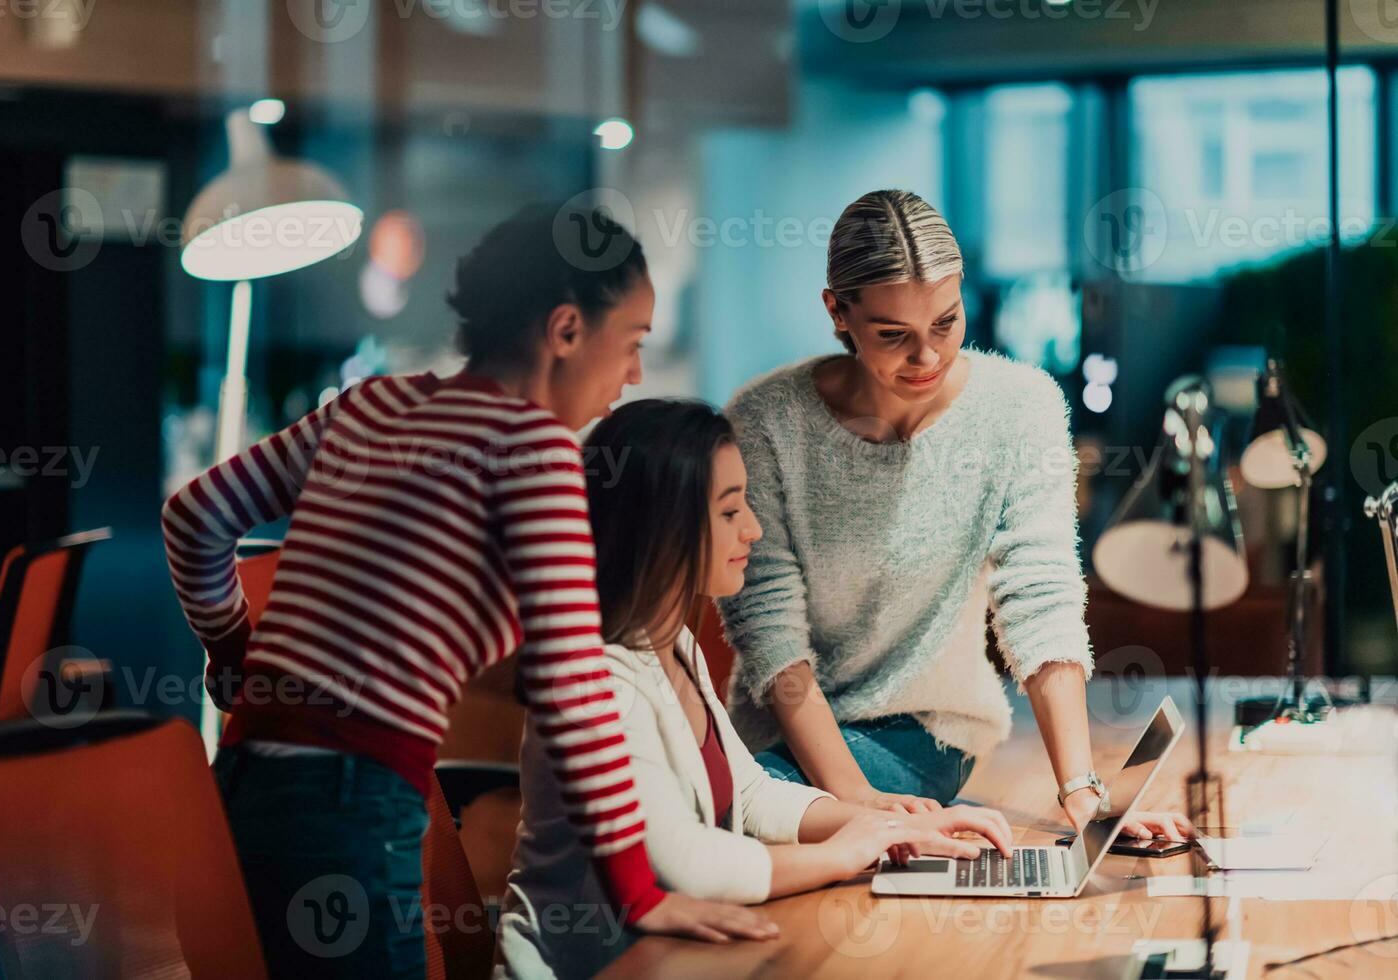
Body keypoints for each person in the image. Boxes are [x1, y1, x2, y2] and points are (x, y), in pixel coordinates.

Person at [161, 204, 775, 978]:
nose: (634, 374)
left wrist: (232, 649)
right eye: (631, 344)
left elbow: (194, 517)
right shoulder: (533, 452)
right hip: (352, 801)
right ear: (564, 333)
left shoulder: (370, 407)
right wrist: (640, 896)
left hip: (242, 784)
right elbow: (573, 690)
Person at [718, 189, 1195, 841]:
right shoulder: (765, 421)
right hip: (782, 730)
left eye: (945, 321)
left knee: (736, 827)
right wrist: (854, 797)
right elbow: (767, 631)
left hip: (923, 727)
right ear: (837, 312)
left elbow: (1041, 599)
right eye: (894, 336)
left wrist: (1083, 791)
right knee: (720, 820)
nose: (928, 358)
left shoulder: (1020, 408)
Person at [496, 399, 1016, 979]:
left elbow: (749, 796)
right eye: (728, 511)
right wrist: (840, 854)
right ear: (660, 526)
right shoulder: (601, 677)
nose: (754, 528)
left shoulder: (673, 645)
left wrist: (887, 826)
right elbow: (684, 865)